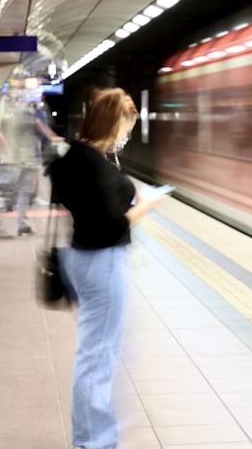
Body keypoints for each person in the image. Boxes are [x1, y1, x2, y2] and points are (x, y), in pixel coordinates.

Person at [48, 88, 167, 449]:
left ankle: (91, 436)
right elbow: (111, 226)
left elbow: (76, 202)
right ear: (113, 123)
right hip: (102, 263)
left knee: (97, 352)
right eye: (126, 127)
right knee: (98, 357)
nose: (126, 136)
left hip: (80, 258)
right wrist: (145, 205)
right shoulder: (96, 165)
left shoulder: (75, 157)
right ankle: (93, 441)